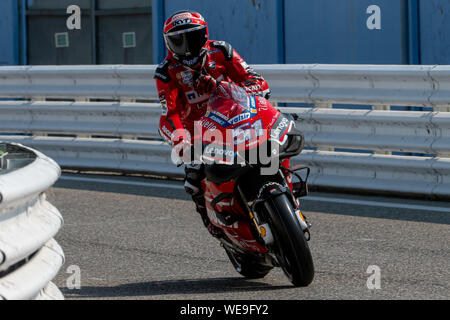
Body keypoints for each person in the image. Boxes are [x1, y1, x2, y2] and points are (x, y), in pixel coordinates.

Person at [154, 10, 271, 237]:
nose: (187, 48)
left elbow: (258, 83)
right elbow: (169, 113)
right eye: (179, 42)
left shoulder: (221, 51)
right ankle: (212, 222)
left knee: (272, 146)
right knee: (193, 179)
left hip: (237, 119)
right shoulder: (166, 72)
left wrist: (220, 88)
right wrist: (181, 140)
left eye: (193, 38)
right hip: (200, 134)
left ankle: (287, 191)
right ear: (169, 44)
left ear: (205, 35)